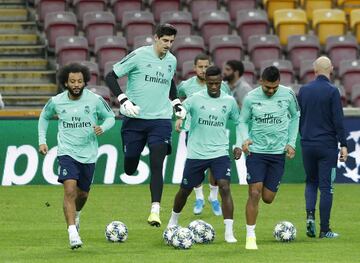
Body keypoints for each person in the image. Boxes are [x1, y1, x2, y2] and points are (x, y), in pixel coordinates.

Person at [104, 24, 186, 227]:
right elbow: (110, 76)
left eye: (171, 42)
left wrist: (176, 103)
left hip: (160, 120)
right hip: (135, 120)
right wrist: (123, 100)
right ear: (156, 38)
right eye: (165, 40)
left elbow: (170, 82)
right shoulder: (139, 56)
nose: (168, 45)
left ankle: (155, 210)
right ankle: (130, 159)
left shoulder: (172, 61)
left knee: (158, 164)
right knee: (130, 167)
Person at [38, 63, 115, 249]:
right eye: (72, 81)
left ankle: (77, 215)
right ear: (65, 82)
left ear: (85, 81)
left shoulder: (95, 100)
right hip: (67, 152)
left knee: (83, 194)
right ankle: (72, 232)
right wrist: (42, 140)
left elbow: (111, 117)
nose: (76, 84)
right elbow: (44, 116)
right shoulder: (57, 101)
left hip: (88, 155)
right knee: (70, 190)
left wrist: (102, 127)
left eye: (80, 81)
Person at [167, 66, 242, 243]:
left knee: (225, 186)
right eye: (211, 83)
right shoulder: (194, 99)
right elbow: (181, 111)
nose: (214, 86)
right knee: (184, 190)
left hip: (219, 152)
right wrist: (180, 118)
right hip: (196, 153)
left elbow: (239, 122)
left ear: (221, 82)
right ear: (205, 82)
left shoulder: (229, 101)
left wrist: (238, 144)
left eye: (217, 83)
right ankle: (173, 220)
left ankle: (229, 232)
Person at [239, 66, 300, 249]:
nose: (271, 91)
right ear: (261, 82)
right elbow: (242, 121)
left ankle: (253, 230)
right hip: (256, 152)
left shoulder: (288, 95)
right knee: (254, 192)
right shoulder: (250, 97)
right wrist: (244, 139)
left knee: (267, 197)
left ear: (279, 83)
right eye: (267, 88)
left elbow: (296, 116)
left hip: (277, 154)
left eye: (274, 87)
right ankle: (250, 236)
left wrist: (291, 142)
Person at [298, 56, 348, 239]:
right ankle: (324, 229)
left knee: (311, 182)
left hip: (308, 144)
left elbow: (299, 117)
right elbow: (338, 120)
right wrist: (343, 144)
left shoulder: (303, 90)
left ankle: (310, 215)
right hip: (327, 145)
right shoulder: (333, 91)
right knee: (326, 187)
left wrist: (303, 135)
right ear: (332, 69)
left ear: (314, 70)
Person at [178, 53, 227, 216]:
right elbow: (176, 100)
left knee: (215, 168)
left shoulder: (222, 86)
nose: (204, 70)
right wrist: (179, 117)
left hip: (215, 133)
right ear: (194, 68)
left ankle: (213, 197)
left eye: (206, 66)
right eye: (200, 66)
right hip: (193, 133)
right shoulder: (186, 86)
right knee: (196, 167)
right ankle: (199, 197)